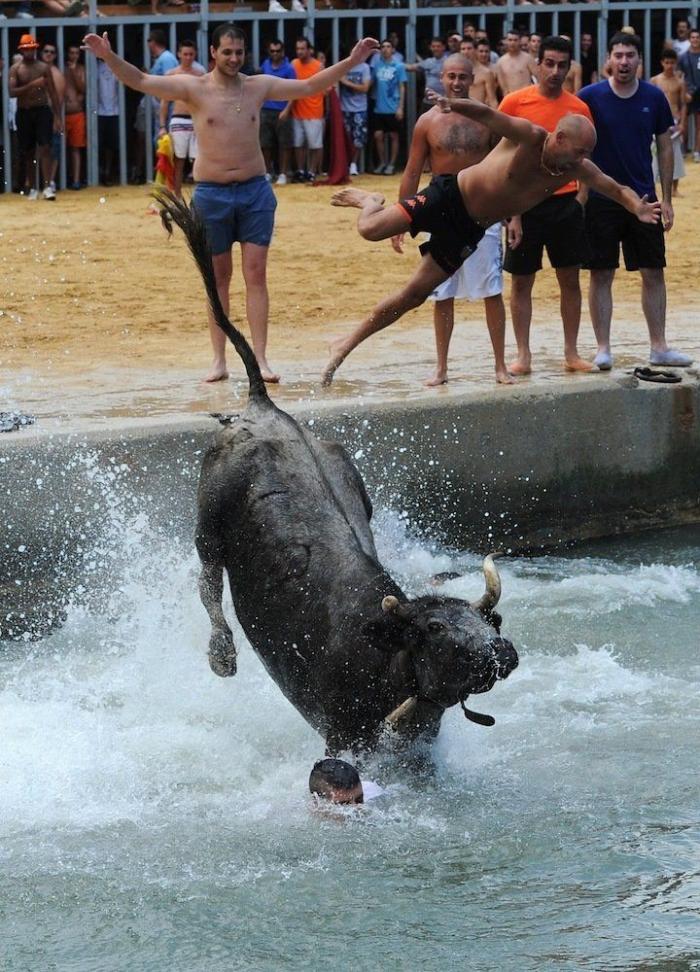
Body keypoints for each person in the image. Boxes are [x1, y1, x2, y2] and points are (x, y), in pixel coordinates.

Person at [83, 25, 379, 385]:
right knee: (218, 280)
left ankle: (261, 359)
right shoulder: (193, 87)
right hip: (211, 195)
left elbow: (308, 86)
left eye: (239, 52)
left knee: (256, 275)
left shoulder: (257, 86)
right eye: (227, 52)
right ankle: (219, 360)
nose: (234, 58)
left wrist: (352, 60)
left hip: (255, 192)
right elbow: (142, 81)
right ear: (213, 52)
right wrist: (108, 56)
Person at [321, 95, 662, 386]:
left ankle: (344, 344)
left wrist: (638, 207)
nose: (582, 159)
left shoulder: (575, 169)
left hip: (470, 229)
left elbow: (615, 188)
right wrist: (453, 104)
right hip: (448, 197)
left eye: (586, 153)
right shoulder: (529, 137)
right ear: (559, 138)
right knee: (370, 230)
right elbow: (488, 114)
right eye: (579, 151)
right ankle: (370, 201)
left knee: (414, 295)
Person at [391, 55, 510, 385]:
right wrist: (401, 218)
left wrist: (512, 215)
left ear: (473, 79)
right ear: (442, 78)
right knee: (441, 291)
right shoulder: (427, 122)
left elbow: (505, 169)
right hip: (441, 208)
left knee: (492, 289)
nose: (457, 83)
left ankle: (500, 365)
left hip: (483, 209)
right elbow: (412, 171)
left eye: (462, 77)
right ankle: (441, 367)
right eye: (451, 76)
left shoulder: (486, 118)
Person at [578, 32, 692, 370]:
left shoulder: (654, 97)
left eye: (630, 55)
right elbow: (575, 146)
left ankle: (659, 346)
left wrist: (666, 198)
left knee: (653, 271)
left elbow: (665, 145)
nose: (624, 62)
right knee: (601, 273)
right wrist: (580, 195)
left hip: (644, 197)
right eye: (618, 55)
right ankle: (603, 348)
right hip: (602, 197)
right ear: (608, 60)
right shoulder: (590, 97)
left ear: (639, 60)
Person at [500, 35, 594, 375]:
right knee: (521, 281)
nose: (555, 71)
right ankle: (523, 354)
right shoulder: (514, 103)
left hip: (566, 201)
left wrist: (581, 198)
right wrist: (512, 213)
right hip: (525, 204)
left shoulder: (579, 108)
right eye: (549, 63)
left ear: (570, 68)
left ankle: (571, 352)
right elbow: (503, 158)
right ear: (536, 64)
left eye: (562, 65)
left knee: (570, 280)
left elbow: (586, 159)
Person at [9, 34, 62, 201]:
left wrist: (57, 116)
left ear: (35, 49)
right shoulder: (16, 69)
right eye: (26, 49)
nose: (29, 51)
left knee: (45, 147)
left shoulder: (43, 68)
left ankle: (47, 186)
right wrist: (32, 85)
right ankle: (32, 187)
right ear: (21, 50)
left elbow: (53, 92)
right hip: (24, 111)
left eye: (32, 48)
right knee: (28, 151)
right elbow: (12, 92)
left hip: (42, 110)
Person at [158, 39, 206, 198]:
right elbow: (164, 102)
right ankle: (177, 196)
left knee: (198, 160)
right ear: (179, 54)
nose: (188, 57)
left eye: (191, 54)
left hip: (196, 121)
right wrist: (162, 126)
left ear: (195, 54)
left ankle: (199, 196)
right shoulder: (172, 74)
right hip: (178, 120)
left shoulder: (200, 75)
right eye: (185, 54)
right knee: (178, 160)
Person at [258, 39, 296, 186]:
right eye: (272, 51)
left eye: (278, 51)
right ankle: (268, 172)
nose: (275, 54)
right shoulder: (265, 65)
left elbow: (294, 91)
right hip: (266, 109)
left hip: (282, 110)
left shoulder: (289, 68)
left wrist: (287, 110)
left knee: (284, 143)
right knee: (265, 143)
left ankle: (283, 173)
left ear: (283, 52)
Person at [651, 49, 687, 197]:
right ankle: (652, 187)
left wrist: (682, 123)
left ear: (675, 63)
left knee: (676, 154)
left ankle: (674, 189)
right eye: (667, 62)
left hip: (674, 121)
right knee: (654, 155)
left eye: (672, 63)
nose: (669, 66)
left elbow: (683, 104)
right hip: (658, 121)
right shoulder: (655, 80)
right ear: (662, 63)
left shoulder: (680, 82)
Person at [291, 37, 325, 183]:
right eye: (297, 49)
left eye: (302, 49)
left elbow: (326, 88)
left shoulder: (318, 66)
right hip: (297, 111)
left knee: (314, 145)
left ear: (309, 50)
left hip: (314, 111)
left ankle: (311, 171)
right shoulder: (293, 64)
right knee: (298, 144)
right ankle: (300, 170)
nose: (299, 52)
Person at [370, 39, 406, 175]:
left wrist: (401, 107)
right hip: (379, 107)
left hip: (393, 107)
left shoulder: (399, 66)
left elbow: (402, 87)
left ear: (393, 49)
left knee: (393, 136)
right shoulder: (377, 65)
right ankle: (382, 163)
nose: (385, 49)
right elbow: (371, 83)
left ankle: (391, 164)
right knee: (378, 135)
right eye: (383, 47)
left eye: (388, 46)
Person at [338, 49, 371, 177]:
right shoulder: (344, 65)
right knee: (345, 137)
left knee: (358, 139)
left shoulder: (365, 67)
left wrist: (346, 82)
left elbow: (365, 88)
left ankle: (353, 163)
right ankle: (345, 163)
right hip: (345, 108)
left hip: (359, 108)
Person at [40, 42, 65, 196]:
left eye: (52, 52)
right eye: (46, 51)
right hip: (36, 114)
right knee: (38, 149)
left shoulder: (57, 74)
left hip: (50, 114)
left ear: (55, 55)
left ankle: (51, 181)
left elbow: (59, 99)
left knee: (53, 149)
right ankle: (36, 183)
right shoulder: (36, 70)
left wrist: (57, 117)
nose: (48, 54)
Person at [308, 758, 383, 806]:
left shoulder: (376, 795)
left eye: (359, 800)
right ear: (317, 804)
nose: (358, 810)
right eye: (345, 805)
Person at [64, 44, 86, 190]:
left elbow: (83, 88)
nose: (74, 56)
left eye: (76, 53)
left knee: (75, 148)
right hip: (63, 114)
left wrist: (73, 72)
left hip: (77, 114)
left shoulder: (81, 69)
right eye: (71, 53)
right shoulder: (62, 68)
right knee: (60, 149)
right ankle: (61, 179)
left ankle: (76, 180)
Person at [96, 57, 119, 186]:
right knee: (98, 144)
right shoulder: (94, 66)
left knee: (111, 145)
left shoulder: (117, 64)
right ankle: (98, 172)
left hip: (115, 111)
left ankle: (107, 172)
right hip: (98, 112)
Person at [679, 29, 700, 163]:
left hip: (699, 93)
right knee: (683, 124)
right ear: (689, 39)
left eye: (697, 37)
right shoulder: (683, 57)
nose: (695, 40)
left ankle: (697, 151)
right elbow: (679, 76)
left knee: (699, 125)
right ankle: (683, 150)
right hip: (686, 93)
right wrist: (684, 92)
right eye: (693, 37)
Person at [496, 30, 536, 96]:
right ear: (506, 41)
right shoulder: (501, 62)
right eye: (510, 40)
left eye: (515, 40)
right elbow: (503, 88)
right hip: (510, 97)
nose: (512, 43)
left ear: (520, 41)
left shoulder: (528, 59)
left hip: (526, 97)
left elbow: (539, 78)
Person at [471, 41, 498, 108]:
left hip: (487, 107)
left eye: (486, 51)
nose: (484, 54)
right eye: (481, 51)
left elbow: (494, 97)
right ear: (475, 52)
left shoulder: (496, 69)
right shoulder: (470, 70)